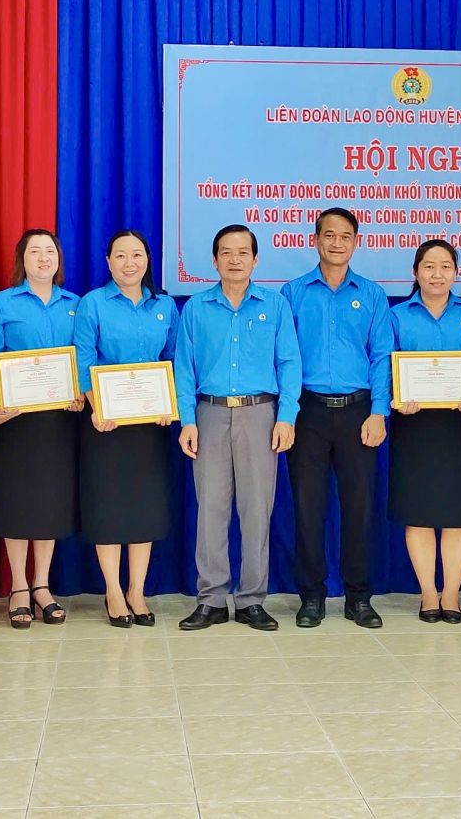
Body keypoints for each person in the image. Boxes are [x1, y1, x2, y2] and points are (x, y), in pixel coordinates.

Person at [175, 225, 302, 631]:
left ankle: (251, 600)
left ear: (255, 259)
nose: (235, 259)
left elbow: (289, 363)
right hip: (209, 414)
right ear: (214, 261)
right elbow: (184, 368)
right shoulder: (196, 308)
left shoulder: (275, 305)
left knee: (256, 509)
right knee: (210, 509)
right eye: (226, 253)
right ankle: (211, 599)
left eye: (243, 252)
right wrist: (187, 420)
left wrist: (287, 416)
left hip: (260, 414)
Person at [282, 207, 395, 629]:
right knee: (307, 509)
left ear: (356, 242)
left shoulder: (372, 295)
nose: (336, 242)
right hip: (307, 411)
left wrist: (379, 411)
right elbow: (285, 358)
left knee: (359, 509)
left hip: (358, 413)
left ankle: (358, 598)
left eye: (345, 236)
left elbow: (382, 356)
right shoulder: (293, 293)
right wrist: (287, 413)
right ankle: (311, 597)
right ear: (315, 240)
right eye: (329, 235)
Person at [74, 231, 179, 627]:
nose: (129, 263)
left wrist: (169, 403)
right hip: (106, 422)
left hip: (149, 423)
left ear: (148, 260)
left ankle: (137, 590)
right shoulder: (93, 303)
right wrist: (97, 405)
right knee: (109, 507)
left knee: (143, 507)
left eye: (137, 255)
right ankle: (113, 591)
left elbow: (174, 358)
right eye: (120, 255)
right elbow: (84, 358)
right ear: (108, 262)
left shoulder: (164, 305)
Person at [0, 229, 83, 628]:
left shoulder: (75, 304)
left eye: (49, 251)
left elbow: (84, 358)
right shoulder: (2, 303)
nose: (43, 258)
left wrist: (81, 395)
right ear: (21, 259)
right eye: (34, 251)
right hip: (17, 418)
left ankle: (42, 584)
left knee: (49, 501)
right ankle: (19, 586)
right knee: (18, 499)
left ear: (59, 259)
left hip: (60, 419)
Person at [389, 239, 461, 625]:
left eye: (446, 266)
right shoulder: (397, 316)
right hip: (414, 424)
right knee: (420, 513)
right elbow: (386, 366)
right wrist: (397, 396)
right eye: (429, 266)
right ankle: (429, 593)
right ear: (416, 272)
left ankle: (452, 595)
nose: (437, 274)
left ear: (456, 273)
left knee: (459, 515)